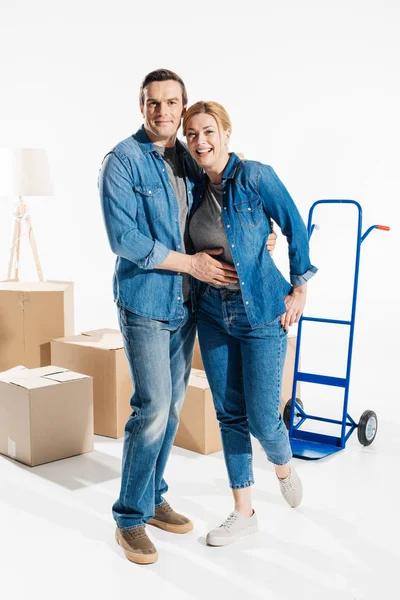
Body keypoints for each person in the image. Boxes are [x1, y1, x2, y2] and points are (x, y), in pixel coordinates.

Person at [99, 70, 277, 564]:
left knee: (172, 407)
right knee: (152, 408)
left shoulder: (189, 159)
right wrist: (192, 265)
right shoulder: (122, 161)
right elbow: (125, 240)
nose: (164, 111)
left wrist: (259, 235)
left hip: (189, 305)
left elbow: (227, 206)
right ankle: (129, 518)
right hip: (146, 303)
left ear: (182, 107)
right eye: (153, 102)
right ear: (142, 106)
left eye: (172, 102)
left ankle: (154, 497)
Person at [183, 101, 317, 547]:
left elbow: (294, 226)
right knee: (230, 415)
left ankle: (282, 466)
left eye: (208, 131)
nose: (200, 141)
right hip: (212, 314)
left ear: (225, 133)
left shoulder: (257, 176)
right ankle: (244, 512)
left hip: (260, 310)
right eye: (192, 134)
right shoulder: (192, 187)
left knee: (263, 418)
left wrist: (300, 286)